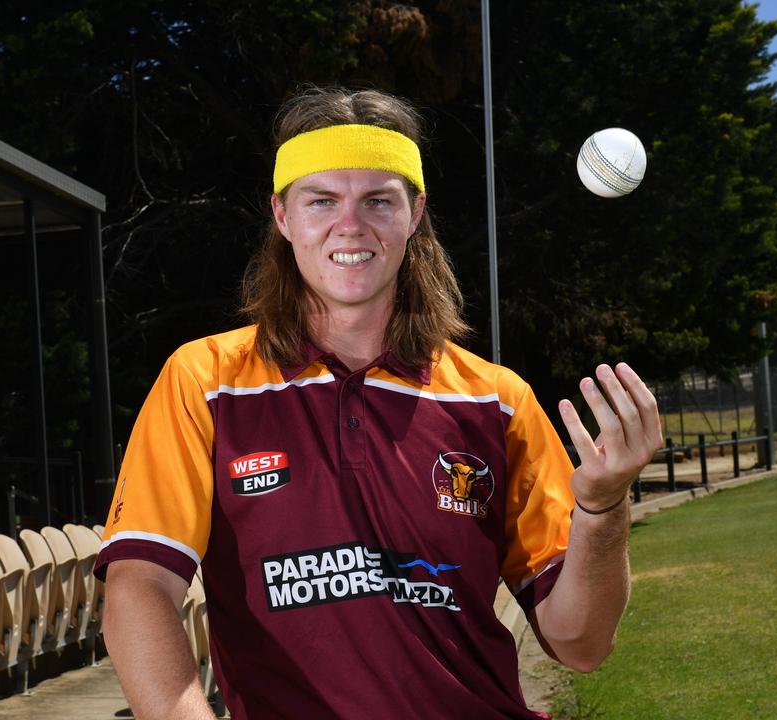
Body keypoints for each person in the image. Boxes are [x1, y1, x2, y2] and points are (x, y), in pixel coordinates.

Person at [96, 86, 662, 719]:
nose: (351, 226)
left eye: (378, 201)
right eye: (322, 201)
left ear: (414, 214)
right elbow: (139, 588)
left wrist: (603, 506)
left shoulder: (496, 401)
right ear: (282, 216)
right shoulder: (204, 383)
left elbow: (579, 642)